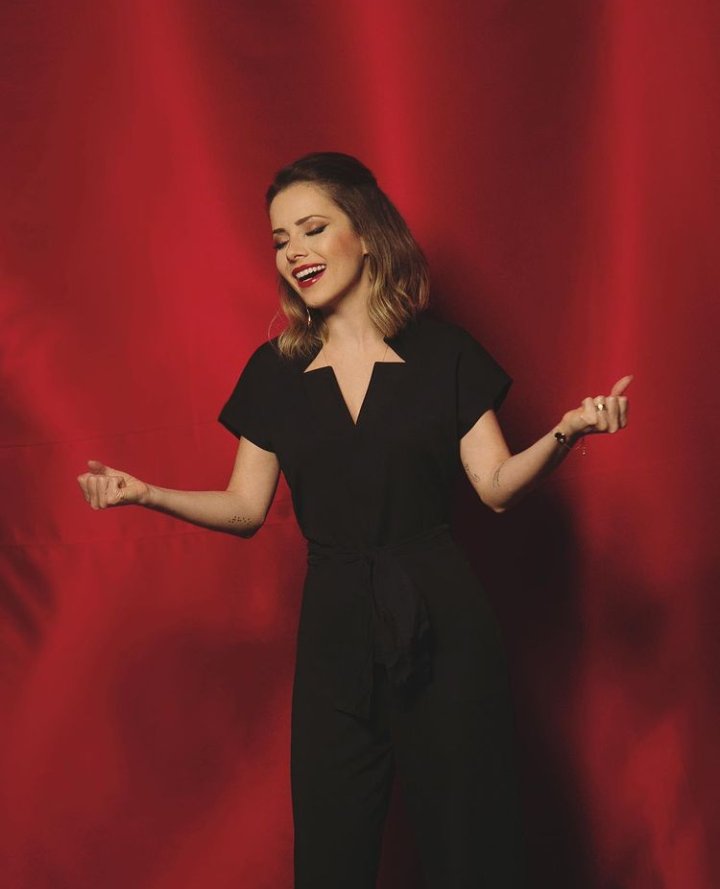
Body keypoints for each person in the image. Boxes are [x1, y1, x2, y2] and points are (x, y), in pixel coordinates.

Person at [77, 151, 631, 889]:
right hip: (335, 627)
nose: (294, 252)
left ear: (366, 233)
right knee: (331, 854)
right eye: (280, 239)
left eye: (312, 228)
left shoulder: (444, 354)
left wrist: (567, 431)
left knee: (472, 849)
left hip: (445, 621)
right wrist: (146, 493)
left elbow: (496, 488)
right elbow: (244, 508)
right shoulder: (274, 372)